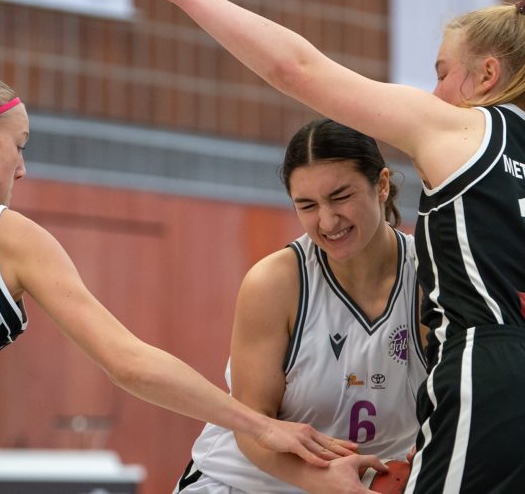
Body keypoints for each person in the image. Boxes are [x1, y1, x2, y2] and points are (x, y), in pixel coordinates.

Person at [154, 0, 525, 493]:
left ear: (487, 75)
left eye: (443, 73)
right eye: (308, 204)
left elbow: (296, 68)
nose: (435, 91)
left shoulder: (461, 128)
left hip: (499, 379)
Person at [0, 66, 358, 493]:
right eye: (19, 146)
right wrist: (263, 425)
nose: (21, 168)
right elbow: (130, 364)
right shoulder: (6, 234)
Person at [174, 119, 427, 494]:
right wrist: (322, 480)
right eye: (307, 205)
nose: (327, 221)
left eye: (340, 197)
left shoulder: (430, 278)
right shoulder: (275, 283)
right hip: (243, 482)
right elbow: (251, 424)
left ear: (382, 185)